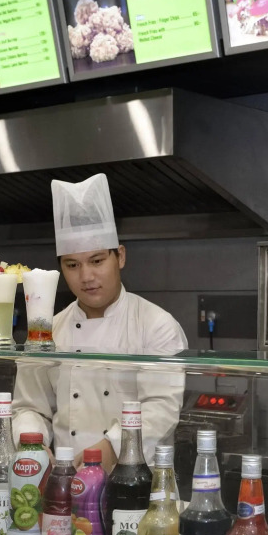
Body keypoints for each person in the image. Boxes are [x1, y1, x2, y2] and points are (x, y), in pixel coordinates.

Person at [13, 174, 187, 472]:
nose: (86, 277)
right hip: (64, 479)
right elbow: (30, 406)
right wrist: (33, 445)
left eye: (96, 261)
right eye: (72, 265)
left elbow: (161, 409)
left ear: (120, 257)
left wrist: (114, 447)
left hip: (136, 480)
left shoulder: (156, 325)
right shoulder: (47, 331)